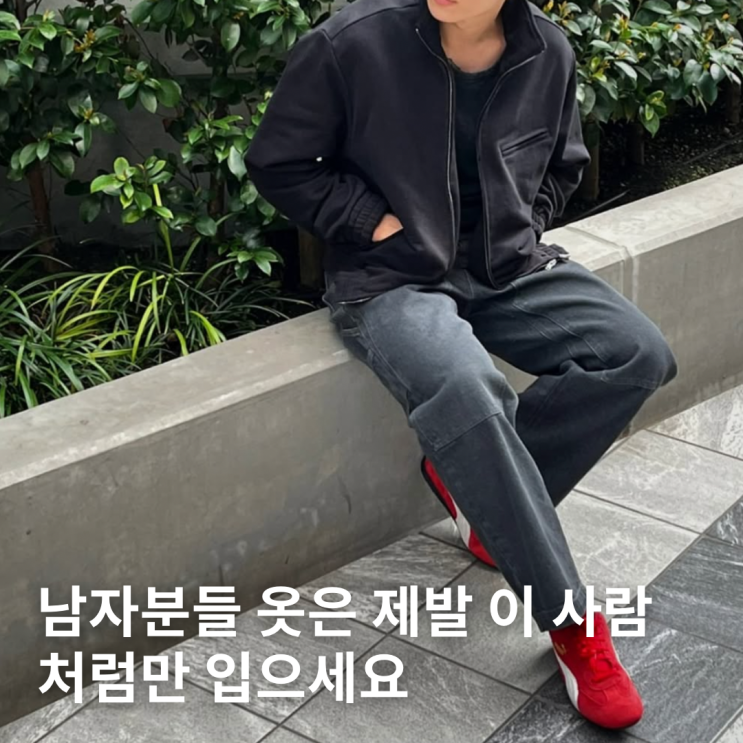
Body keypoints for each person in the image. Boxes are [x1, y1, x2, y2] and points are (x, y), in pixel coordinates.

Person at [246, 0, 678, 730]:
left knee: (637, 354)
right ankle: (571, 624)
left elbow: (562, 162)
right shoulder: (351, 43)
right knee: (470, 391)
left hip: (505, 265)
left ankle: (477, 491)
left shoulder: (546, 51)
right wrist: (367, 222)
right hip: (392, 275)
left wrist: (523, 225)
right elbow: (278, 161)